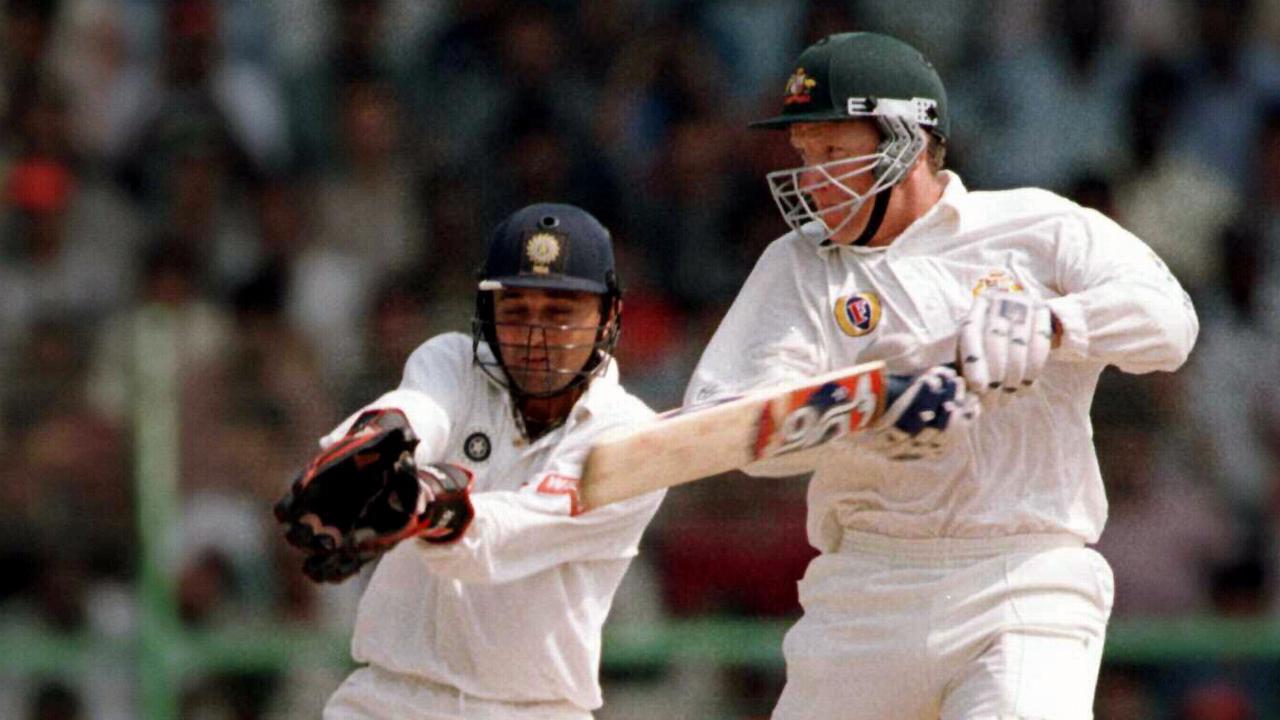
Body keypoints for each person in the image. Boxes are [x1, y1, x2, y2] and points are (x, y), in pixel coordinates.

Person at [684, 32, 1199, 719]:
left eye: (834, 153)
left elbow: (1170, 324)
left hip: (1023, 579)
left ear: (909, 141)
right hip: (864, 591)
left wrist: (1052, 326)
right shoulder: (797, 265)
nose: (810, 179)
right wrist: (865, 410)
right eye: (804, 156)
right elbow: (727, 419)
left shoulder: (1035, 227)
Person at [275, 203, 665, 719]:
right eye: (516, 311)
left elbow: (520, 531)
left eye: (560, 314)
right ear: (487, 312)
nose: (535, 337)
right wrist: (373, 442)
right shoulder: (453, 362)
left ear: (608, 315)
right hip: (387, 700)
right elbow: (416, 411)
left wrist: (434, 508)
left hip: (530, 709)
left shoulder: (628, 432)